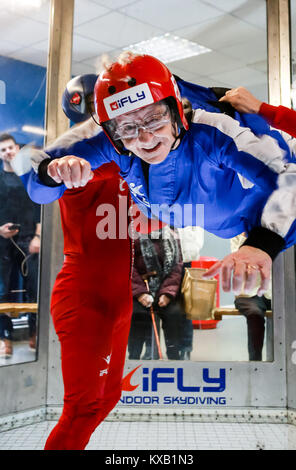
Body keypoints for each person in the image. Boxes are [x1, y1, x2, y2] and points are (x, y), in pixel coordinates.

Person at [25, 53, 296, 299]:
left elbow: (292, 180)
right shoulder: (114, 136)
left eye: (154, 119)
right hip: (199, 212)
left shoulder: (215, 130)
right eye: (129, 127)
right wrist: (51, 172)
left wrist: (262, 245)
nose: (145, 138)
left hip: (259, 207)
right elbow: (36, 175)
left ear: (176, 110)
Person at [21, 74, 135, 451]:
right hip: (84, 296)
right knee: (82, 408)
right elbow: (46, 178)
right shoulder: (74, 162)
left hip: (120, 298)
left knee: (109, 397)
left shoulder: (129, 155)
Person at [0, 133, 40, 358]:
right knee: (2, 291)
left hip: (29, 241)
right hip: (3, 243)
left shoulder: (30, 177)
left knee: (34, 290)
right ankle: (5, 339)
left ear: (16, 148)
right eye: (3, 150)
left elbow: (41, 208)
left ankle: (35, 334)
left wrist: (38, 236)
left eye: (10, 148)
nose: (8, 152)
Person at [128, 226, 183, 360]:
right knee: (137, 314)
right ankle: (133, 358)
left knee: (174, 314)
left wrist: (167, 294)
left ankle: (174, 357)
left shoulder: (172, 235)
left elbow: (177, 267)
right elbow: (129, 266)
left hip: (164, 288)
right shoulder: (131, 235)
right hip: (140, 289)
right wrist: (141, 293)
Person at [231, 233, 271, 361]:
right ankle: (255, 363)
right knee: (254, 314)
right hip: (248, 292)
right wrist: (246, 236)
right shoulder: (237, 233)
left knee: (294, 312)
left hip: (273, 290)